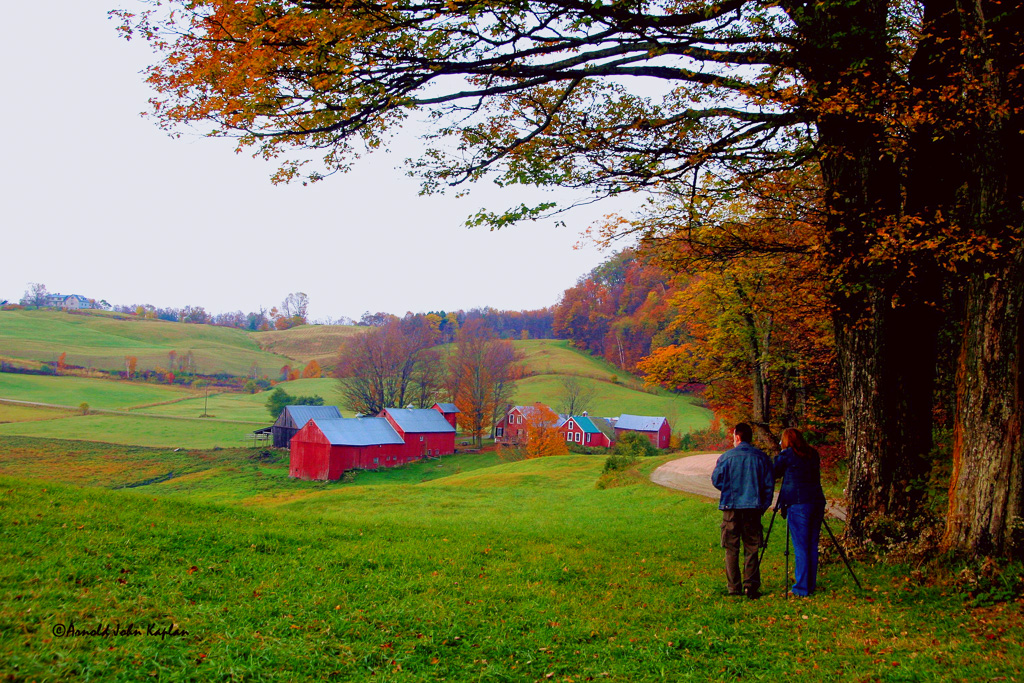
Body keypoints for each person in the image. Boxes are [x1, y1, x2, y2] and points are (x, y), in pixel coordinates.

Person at [711, 423, 775, 599]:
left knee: (731, 548)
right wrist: (762, 506)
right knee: (752, 547)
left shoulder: (726, 457)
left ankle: (734, 587)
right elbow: (769, 486)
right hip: (753, 508)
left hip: (731, 507)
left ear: (737, 437)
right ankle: (751, 586)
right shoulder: (761, 458)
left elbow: (716, 480)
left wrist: (729, 488)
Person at [773, 428, 827, 597]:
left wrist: (781, 453)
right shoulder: (812, 453)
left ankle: (802, 587)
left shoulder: (787, 455)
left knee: (801, 546)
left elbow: (774, 472)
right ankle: (809, 583)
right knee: (811, 544)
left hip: (797, 502)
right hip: (816, 500)